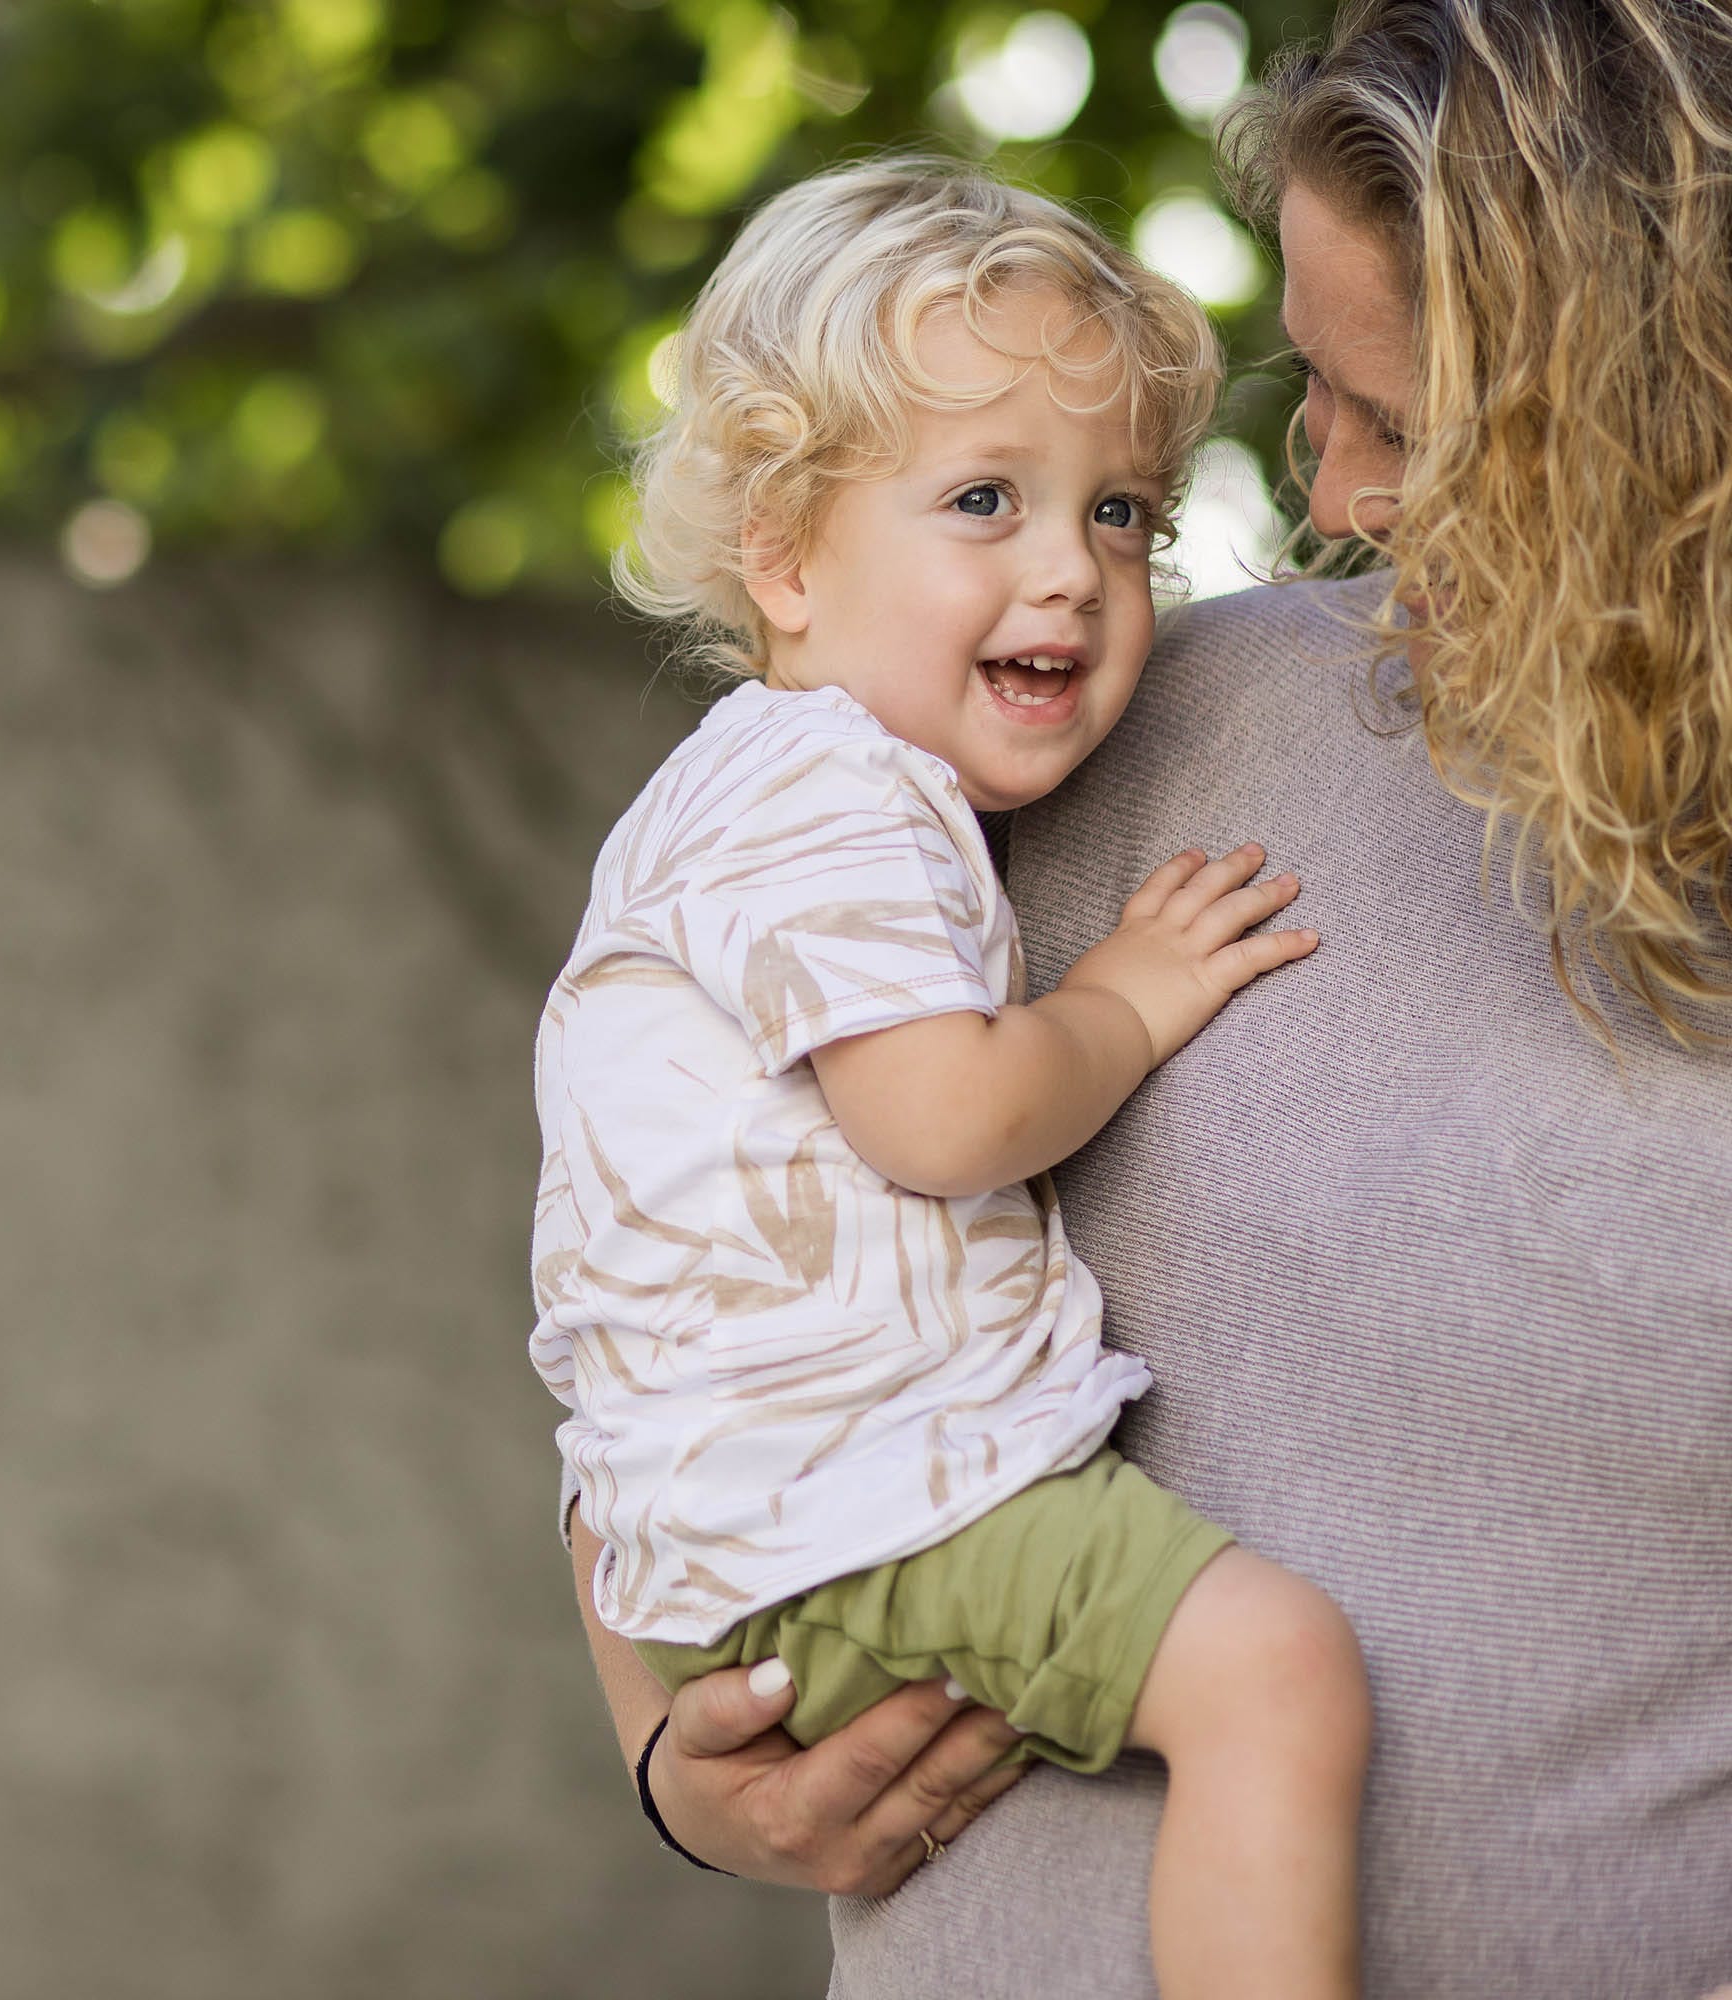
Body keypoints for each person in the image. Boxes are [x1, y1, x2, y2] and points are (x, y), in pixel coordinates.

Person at [565, 4, 1732, 1996]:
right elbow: (679, 1271)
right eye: (1316, 401)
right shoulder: (1119, 733)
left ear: (1655, 424)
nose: (1334, 498)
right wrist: (678, 1763)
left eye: (1411, 425)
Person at [534, 159, 1376, 1997]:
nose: (1072, 566)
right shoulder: (824, 796)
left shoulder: (770, 795)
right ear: (783, 554)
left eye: (1122, 511)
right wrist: (1130, 997)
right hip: (861, 1506)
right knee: (1276, 1678)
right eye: (985, 499)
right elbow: (946, 1118)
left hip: (764, 1528)